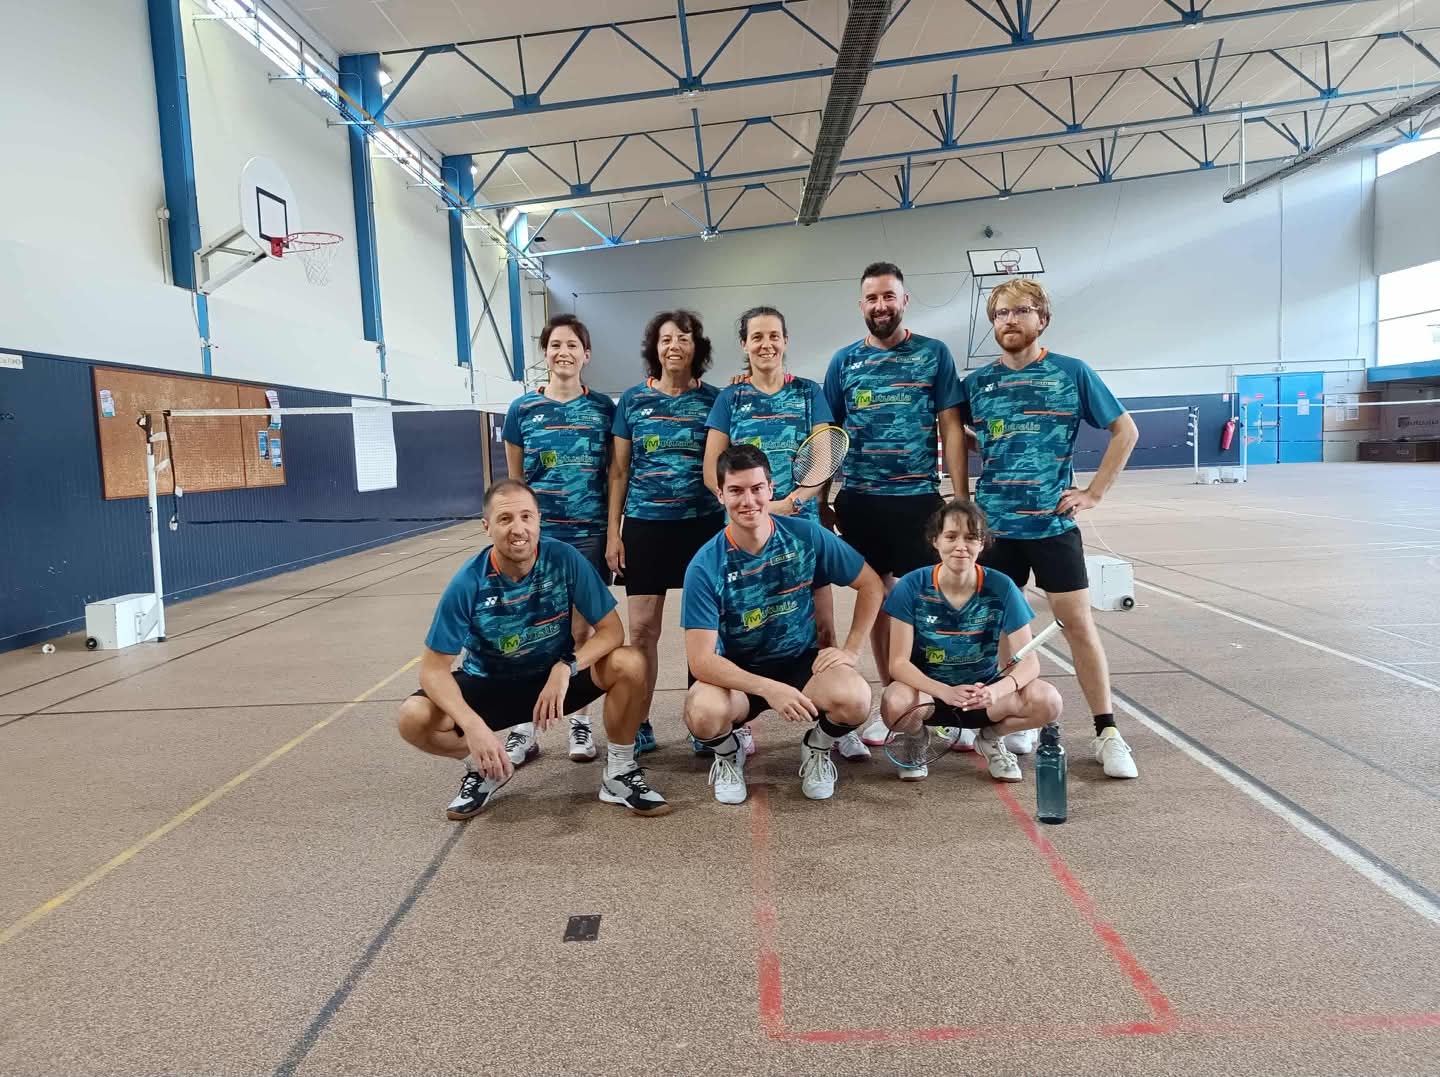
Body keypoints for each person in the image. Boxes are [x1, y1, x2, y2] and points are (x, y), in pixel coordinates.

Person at [396, 479, 669, 820]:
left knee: (630, 661)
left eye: (526, 516)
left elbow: (612, 631)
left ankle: (619, 773)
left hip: (551, 682)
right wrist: (473, 727)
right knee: (413, 718)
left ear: (539, 520)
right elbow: (433, 670)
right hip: (490, 685)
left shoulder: (564, 559)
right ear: (486, 527)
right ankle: (485, 768)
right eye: (505, 519)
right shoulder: (469, 582)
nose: (518, 529)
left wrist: (567, 666)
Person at [956, 277, 1141, 778]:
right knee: (1003, 626)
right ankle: (1016, 714)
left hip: (1052, 525)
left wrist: (1094, 492)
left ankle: (1107, 732)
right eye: (1000, 313)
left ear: (1042, 318)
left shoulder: (1071, 373)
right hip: (996, 529)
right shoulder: (978, 384)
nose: (1009, 320)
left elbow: (1125, 431)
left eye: (1021, 311)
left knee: (1077, 624)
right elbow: (964, 434)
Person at [701, 306, 870, 761]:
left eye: (774, 335)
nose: (766, 344)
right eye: (756, 337)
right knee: (742, 628)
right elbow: (711, 470)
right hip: (745, 527)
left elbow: (824, 457)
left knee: (823, 627)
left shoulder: (808, 392)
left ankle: (835, 725)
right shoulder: (730, 398)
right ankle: (739, 721)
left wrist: (791, 502)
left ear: (785, 340)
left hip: (800, 525)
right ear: (744, 344)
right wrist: (754, 506)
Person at [682, 444, 884, 804]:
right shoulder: (705, 564)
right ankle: (728, 754)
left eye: (757, 488)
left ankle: (817, 746)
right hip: (737, 673)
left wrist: (851, 651)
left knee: (856, 699)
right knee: (702, 713)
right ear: (720, 495)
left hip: (801, 662)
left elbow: (870, 585)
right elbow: (701, 661)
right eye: (736, 490)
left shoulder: (806, 535)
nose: (748, 501)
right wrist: (769, 689)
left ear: (771, 489)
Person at [822, 261, 969, 749]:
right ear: (860, 305)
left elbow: (951, 428)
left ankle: (941, 703)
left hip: (918, 501)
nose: (881, 305)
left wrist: (960, 498)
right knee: (879, 600)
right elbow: (828, 437)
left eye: (889, 296)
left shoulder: (933, 354)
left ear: (904, 300)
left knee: (929, 604)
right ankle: (895, 703)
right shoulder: (844, 362)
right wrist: (822, 499)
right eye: (872, 298)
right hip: (862, 502)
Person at [608, 310, 725, 755]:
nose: (674, 346)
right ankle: (639, 721)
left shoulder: (716, 400)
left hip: (703, 527)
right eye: (665, 339)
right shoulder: (632, 401)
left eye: (683, 338)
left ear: (697, 348)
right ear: (654, 349)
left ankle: (702, 722)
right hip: (645, 527)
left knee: (704, 631)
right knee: (642, 632)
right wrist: (614, 531)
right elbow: (619, 472)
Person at [880, 499, 1063, 783]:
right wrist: (943, 691)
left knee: (1048, 701)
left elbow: (1030, 664)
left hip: (983, 696)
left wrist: (997, 690)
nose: (961, 546)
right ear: (935, 541)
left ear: (983, 542)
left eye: (971, 537)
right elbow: (898, 664)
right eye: (951, 537)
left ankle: (991, 738)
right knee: (895, 703)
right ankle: (916, 738)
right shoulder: (911, 586)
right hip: (930, 695)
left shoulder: (1002, 587)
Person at [501, 314, 615, 767]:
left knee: (581, 630)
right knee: (530, 629)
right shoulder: (522, 410)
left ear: (586, 355)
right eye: (555, 345)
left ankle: (579, 720)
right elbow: (514, 482)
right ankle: (522, 725)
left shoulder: (604, 409)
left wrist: (613, 532)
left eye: (572, 345)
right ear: (545, 353)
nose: (563, 352)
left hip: (588, 535)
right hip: (536, 539)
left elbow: (614, 473)